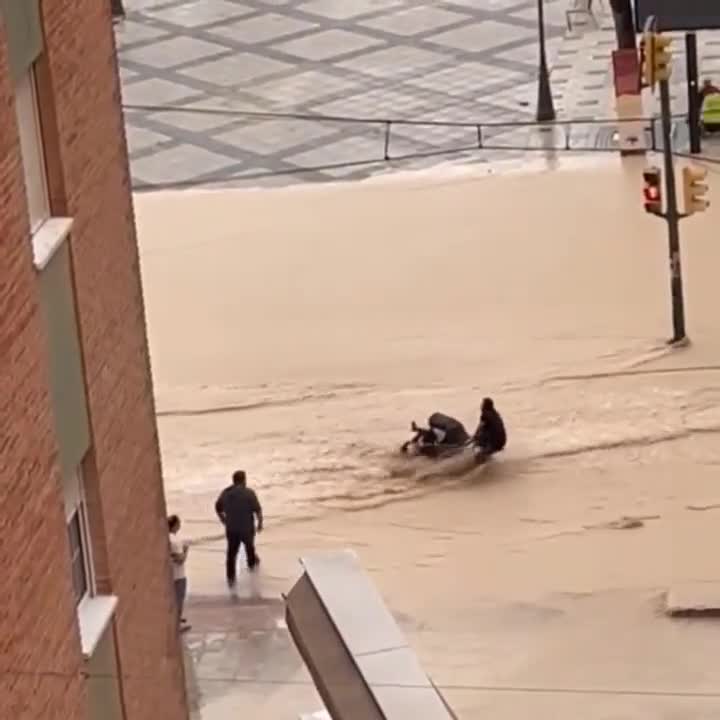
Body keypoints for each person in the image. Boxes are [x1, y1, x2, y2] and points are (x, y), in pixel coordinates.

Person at [215, 470, 263, 588]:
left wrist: (223, 520)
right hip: (246, 529)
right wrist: (260, 524)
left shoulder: (225, 493)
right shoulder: (249, 493)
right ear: (244, 480)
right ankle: (254, 579)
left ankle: (231, 581)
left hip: (231, 529)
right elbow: (258, 510)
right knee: (250, 551)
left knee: (231, 554)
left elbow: (217, 507)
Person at [168, 515, 190, 632]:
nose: (180, 525)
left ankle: (177, 619)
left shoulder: (167, 538)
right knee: (179, 600)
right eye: (179, 523)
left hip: (171, 574)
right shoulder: (175, 541)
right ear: (175, 525)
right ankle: (178, 625)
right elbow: (180, 560)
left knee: (174, 599)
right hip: (179, 575)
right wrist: (186, 551)